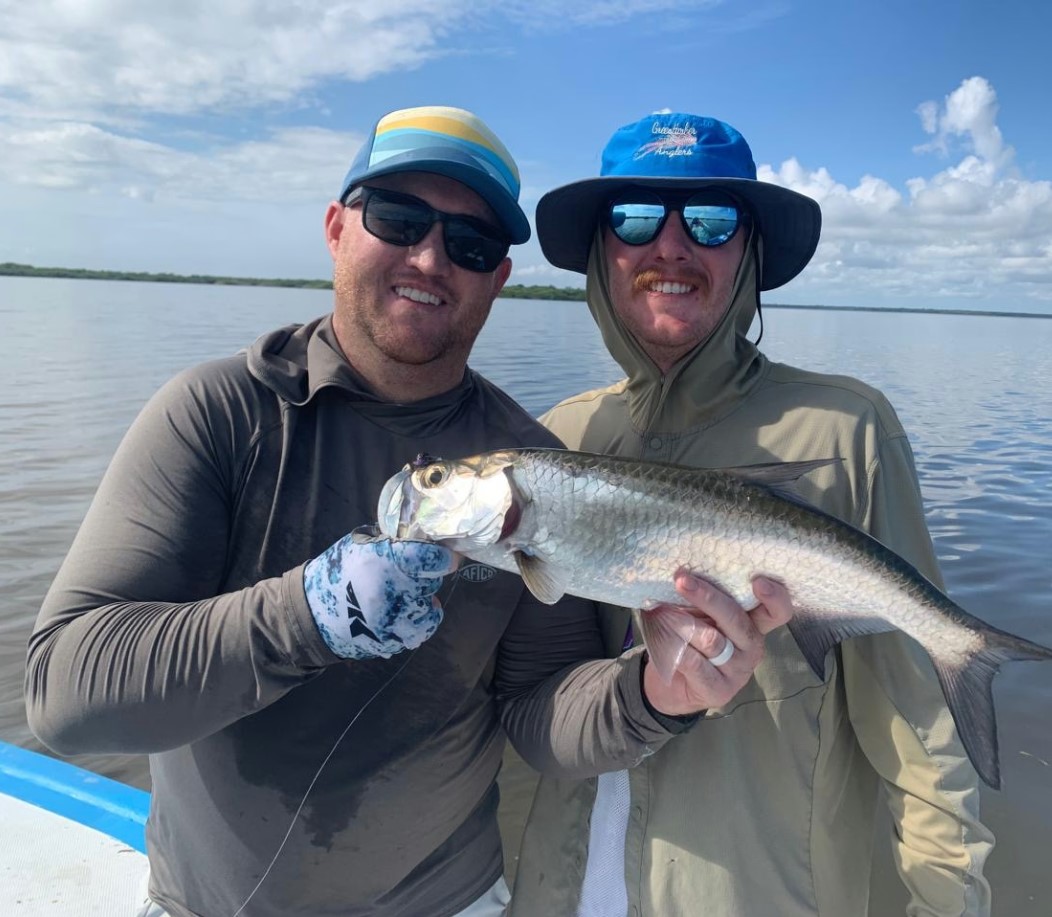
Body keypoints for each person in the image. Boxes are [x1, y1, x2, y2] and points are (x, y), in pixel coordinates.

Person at [24, 106, 793, 917]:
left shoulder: (528, 470)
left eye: (471, 243)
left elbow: (539, 712)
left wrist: (654, 695)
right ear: (336, 228)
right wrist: (304, 615)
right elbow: (64, 693)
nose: (430, 258)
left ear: (499, 277)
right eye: (397, 218)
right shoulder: (217, 413)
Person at [510, 113, 994, 917]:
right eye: (634, 217)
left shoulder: (846, 433)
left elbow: (919, 725)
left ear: (751, 251)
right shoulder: (556, 441)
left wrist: (951, 900)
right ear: (601, 249)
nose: (671, 246)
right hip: (562, 891)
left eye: (711, 218)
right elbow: (528, 693)